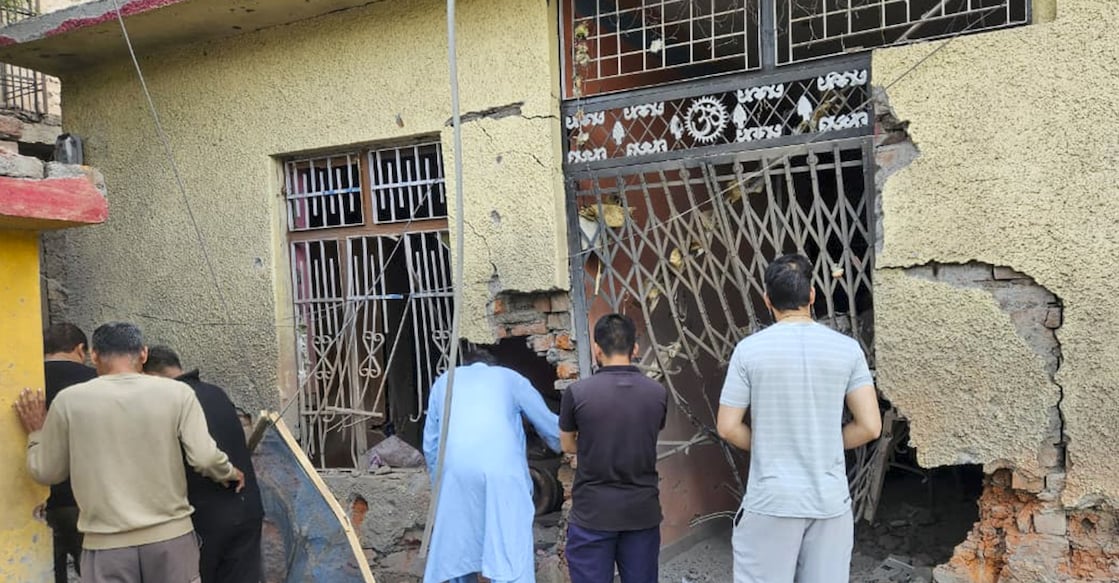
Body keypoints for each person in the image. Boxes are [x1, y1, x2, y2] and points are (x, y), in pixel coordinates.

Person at [14, 322, 244, 583]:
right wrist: (227, 471)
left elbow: (47, 472)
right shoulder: (178, 393)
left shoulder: (69, 401)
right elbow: (204, 458)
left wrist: (36, 435)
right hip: (170, 539)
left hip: (105, 546)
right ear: (143, 354)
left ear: (94, 355)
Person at [716, 254, 881, 583]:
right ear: (812, 295)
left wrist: (767, 446)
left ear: (767, 300)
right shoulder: (847, 350)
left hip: (771, 500)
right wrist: (826, 445)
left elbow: (728, 426)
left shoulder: (749, 351)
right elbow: (870, 426)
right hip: (828, 502)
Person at [422, 345, 562, 583]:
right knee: (509, 546)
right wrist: (569, 442)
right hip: (503, 475)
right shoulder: (510, 378)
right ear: (492, 366)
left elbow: (431, 445)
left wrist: (440, 487)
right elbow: (549, 426)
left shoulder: (445, 381)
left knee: (457, 549)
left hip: (457, 475)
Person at [559, 314, 667, 583]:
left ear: (597, 349)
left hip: (592, 513)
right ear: (635, 349)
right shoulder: (657, 393)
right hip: (641, 512)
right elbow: (650, 433)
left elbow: (568, 444)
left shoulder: (577, 393)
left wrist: (593, 445)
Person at [144, 345, 264, 583]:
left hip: (205, 516)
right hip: (247, 508)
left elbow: (205, 458)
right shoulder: (215, 392)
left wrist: (227, 472)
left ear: (151, 376)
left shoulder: (170, 401)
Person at [42, 323, 97, 583]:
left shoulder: (22, 378)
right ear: (80, 349)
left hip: (35, 496)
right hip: (86, 498)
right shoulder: (97, 381)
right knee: (94, 572)